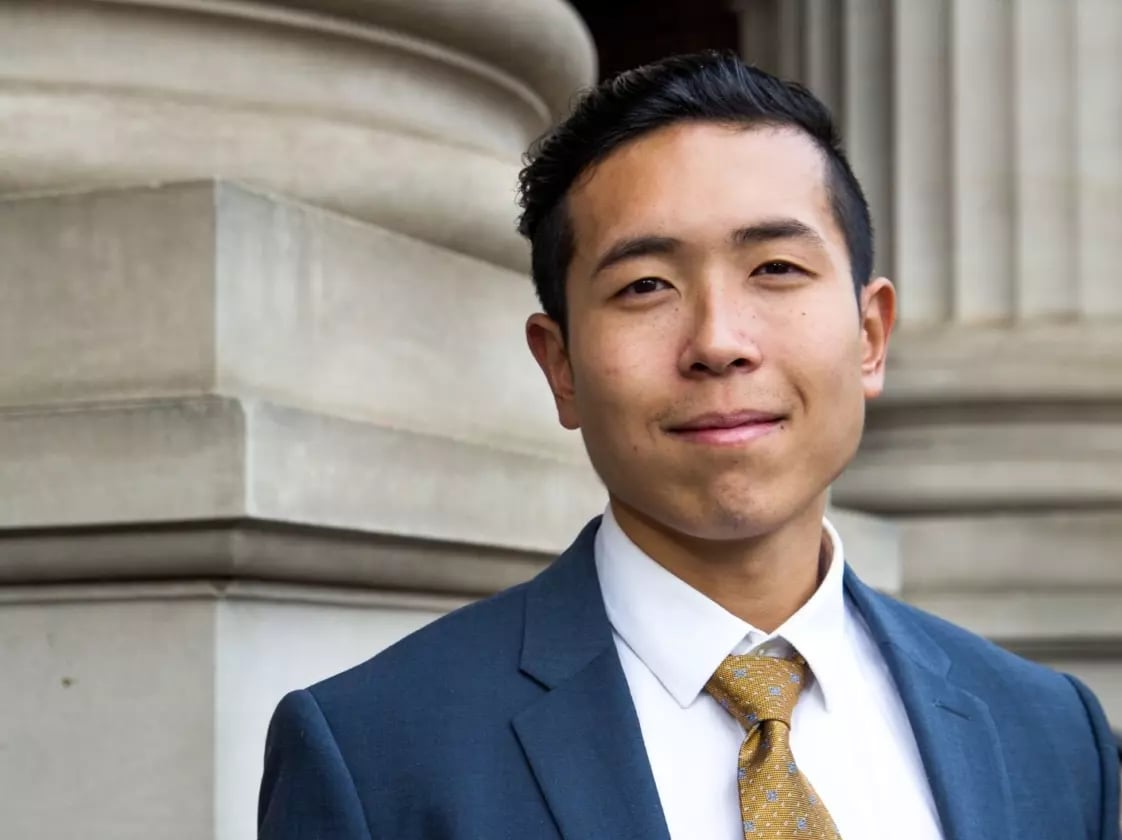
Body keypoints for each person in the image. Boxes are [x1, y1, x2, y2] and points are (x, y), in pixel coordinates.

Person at [257, 51, 1120, 840]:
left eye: (776, 269)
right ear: (560, 366)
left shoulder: (1054, 737)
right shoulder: (378, 756)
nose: (718, 340)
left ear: (870, 334)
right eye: (646, 285)